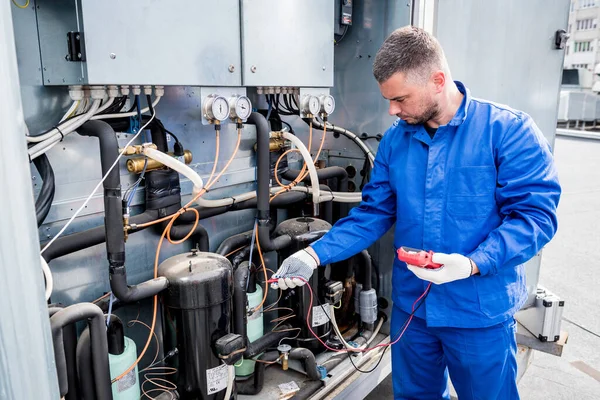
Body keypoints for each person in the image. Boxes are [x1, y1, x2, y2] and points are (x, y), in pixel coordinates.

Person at [272, 26, 561, 399]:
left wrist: (472, 263)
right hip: (414, 311)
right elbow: (373, 214)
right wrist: (313, 255)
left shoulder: (507, 131)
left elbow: (535, 218)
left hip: (477, 311)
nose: (392, 110)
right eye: (389, 100)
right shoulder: (397, 139)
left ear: (438, 80)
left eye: (401, 99)